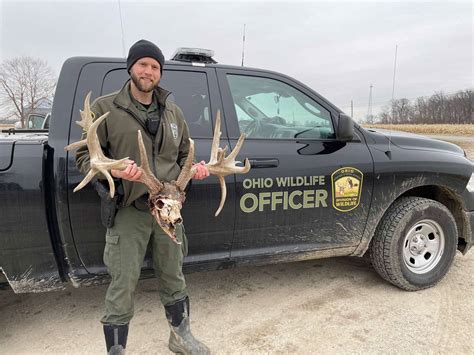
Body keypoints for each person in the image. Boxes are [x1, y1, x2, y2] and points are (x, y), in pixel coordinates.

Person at [76, 39, 210, 355]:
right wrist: (117, 170)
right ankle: (116, 349)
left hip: (168, 211)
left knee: (174, 275)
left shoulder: (174, 113)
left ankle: (180, 337)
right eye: (143, 65)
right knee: (122, 283)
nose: (148, 71)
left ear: (159, 73)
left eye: (154, 67)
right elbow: (85, 157)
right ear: (131, 68)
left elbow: (183, 155)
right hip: (128, 211)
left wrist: (194, 171)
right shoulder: (104, 109)